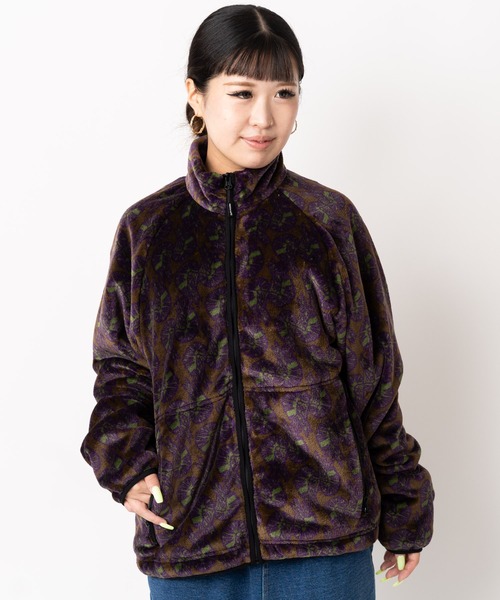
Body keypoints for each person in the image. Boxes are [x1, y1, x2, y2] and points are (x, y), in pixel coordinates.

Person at [81, 5, 434, 599]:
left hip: (323, 541)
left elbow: (374, 378)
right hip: (190, 537)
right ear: (196, 95)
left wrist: (403, 503)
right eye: (242, 93)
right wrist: (128, 463)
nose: (264, 118)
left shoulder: (327, 222)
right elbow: (121, 370)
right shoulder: (149, 230)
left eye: (284, 93)